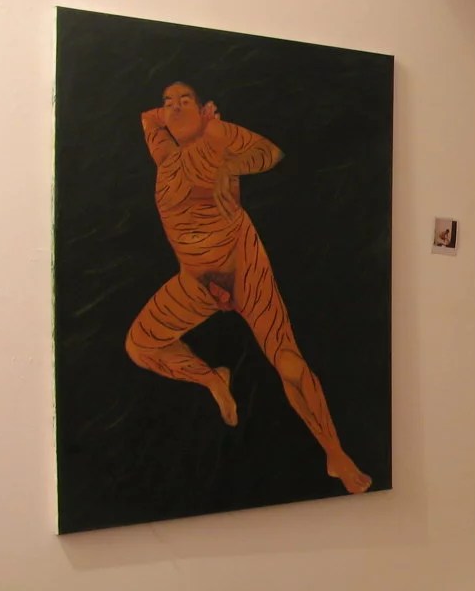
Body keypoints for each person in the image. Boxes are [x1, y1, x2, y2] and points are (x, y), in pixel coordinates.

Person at [127, 81, 372, 494]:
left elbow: (269, 153)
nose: (174, 108)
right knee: (140, 346)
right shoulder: (164, 154)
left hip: (242, 265)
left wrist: (229, 163)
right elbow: (148, 118)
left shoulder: (218, 135)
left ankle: (335, 454)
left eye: (184, 100)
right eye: (169, 103)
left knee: (287, 361)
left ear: (202, 108)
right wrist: (174, 113)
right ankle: (212, 378)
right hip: (196, 279)